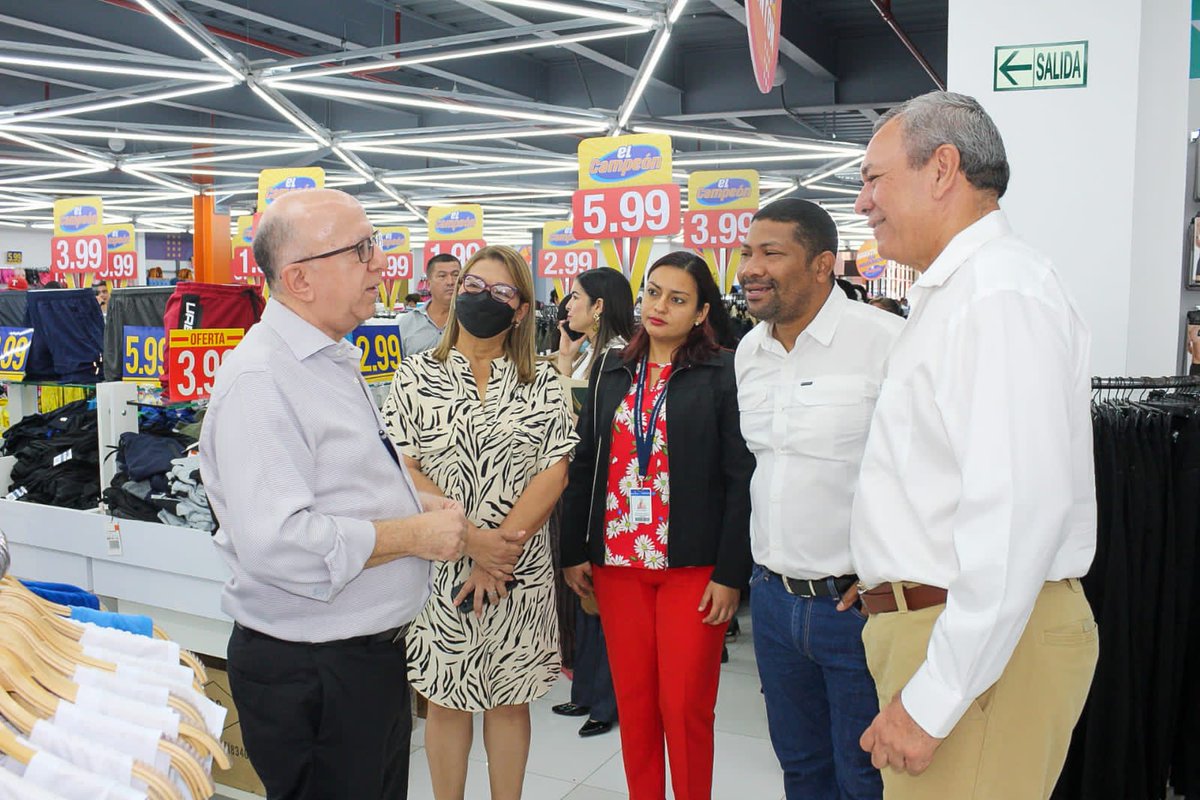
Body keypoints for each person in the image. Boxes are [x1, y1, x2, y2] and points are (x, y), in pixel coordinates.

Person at [850, 91, 1098, 799]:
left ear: (942, 169)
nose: (864, 202)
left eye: (874, 177)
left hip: (977, 648)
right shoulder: (964, 293)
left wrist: (934, 699)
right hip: (952, 632)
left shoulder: (999, 295)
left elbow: (1017, 515)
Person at [199, 188, 468, 800]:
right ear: (299, 279)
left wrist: (411, 506)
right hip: (314, 670)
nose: (382, 265)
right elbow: (279, 543)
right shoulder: (263, 381)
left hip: (357, 660)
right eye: (362, 250)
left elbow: (335, 486)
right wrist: (412, 535)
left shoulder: (325, 358)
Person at [381, 245, 578, 800]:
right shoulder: (416, 375)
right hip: (442, 564)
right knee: (446, 699)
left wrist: (499, 552)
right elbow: (403, 470)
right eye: (471, 285)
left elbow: (554, 470)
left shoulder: (540, 377)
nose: (480, 298)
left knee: (509, 700)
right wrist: (472, 542)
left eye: (500, 292)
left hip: (519, 567)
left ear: (520, 311)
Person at [561, 251, 753, 800]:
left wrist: (731, 572)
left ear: (700, 313)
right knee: (637, 704)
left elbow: (741, 476)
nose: (659, 306)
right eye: (652, 293)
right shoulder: (612, 369)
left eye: (677, 298)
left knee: (685, 706)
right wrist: (575, 550)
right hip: (616, 563)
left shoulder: (722, 371)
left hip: (692, 568)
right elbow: (585, 462)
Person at [736, 198, 902, 799]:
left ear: (822, 264)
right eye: (748, 252)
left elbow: (925, 472)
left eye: (771, 254)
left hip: (855, 608)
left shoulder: (886, 342)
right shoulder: (749, 354)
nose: (752, 267)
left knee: (867, 777)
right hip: (773, 605)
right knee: (802, 770)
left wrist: (890, 569)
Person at [549, 268, 635, 739]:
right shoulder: (590, 355)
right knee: (586, 592)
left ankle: (606, 699)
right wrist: (565, 361)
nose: (567, 307)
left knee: (603, 596)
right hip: (581, 485)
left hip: (609, 492)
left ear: (599, 306)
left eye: (576, 298)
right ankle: (587, 690)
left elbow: (585, 426)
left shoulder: (620, 355)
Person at [397, 253, 459, 355]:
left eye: (455, 275)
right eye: (442, 276)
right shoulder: (407, 323)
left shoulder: (471, 320)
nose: (450, 282)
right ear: (429, 284)